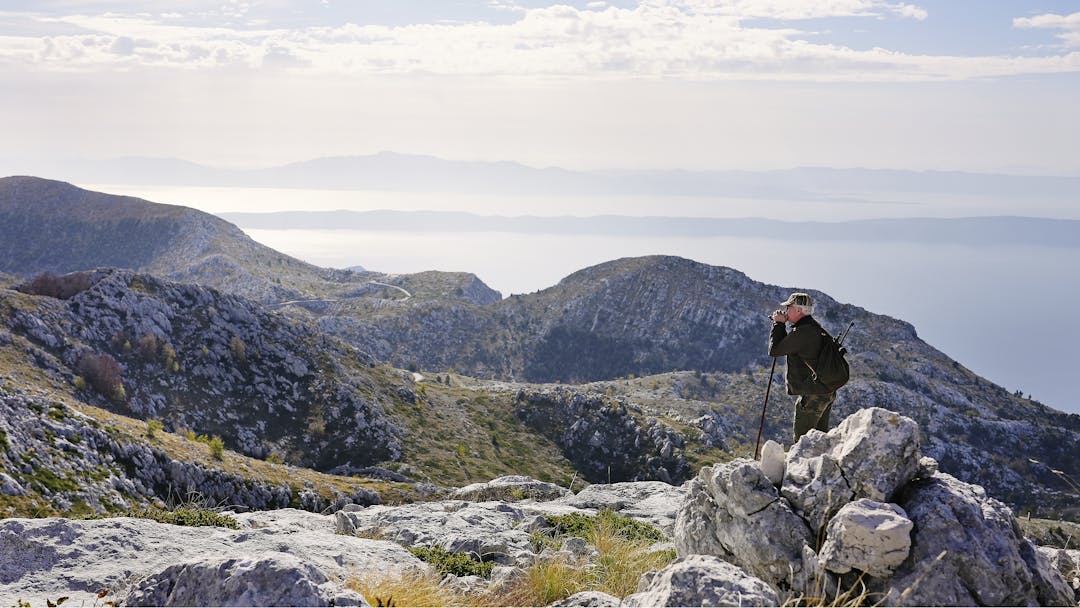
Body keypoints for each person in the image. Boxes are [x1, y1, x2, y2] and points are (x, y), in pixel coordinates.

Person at [768, 292, 835, 443]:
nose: (785, 311)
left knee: (803, 442)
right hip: (826, 391)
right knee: (819, 440)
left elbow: (775, 350)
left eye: (789, 307)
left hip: (813, 394)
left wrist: (778, 324)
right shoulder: (815, 328)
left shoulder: (803, 332)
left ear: (798, 310)